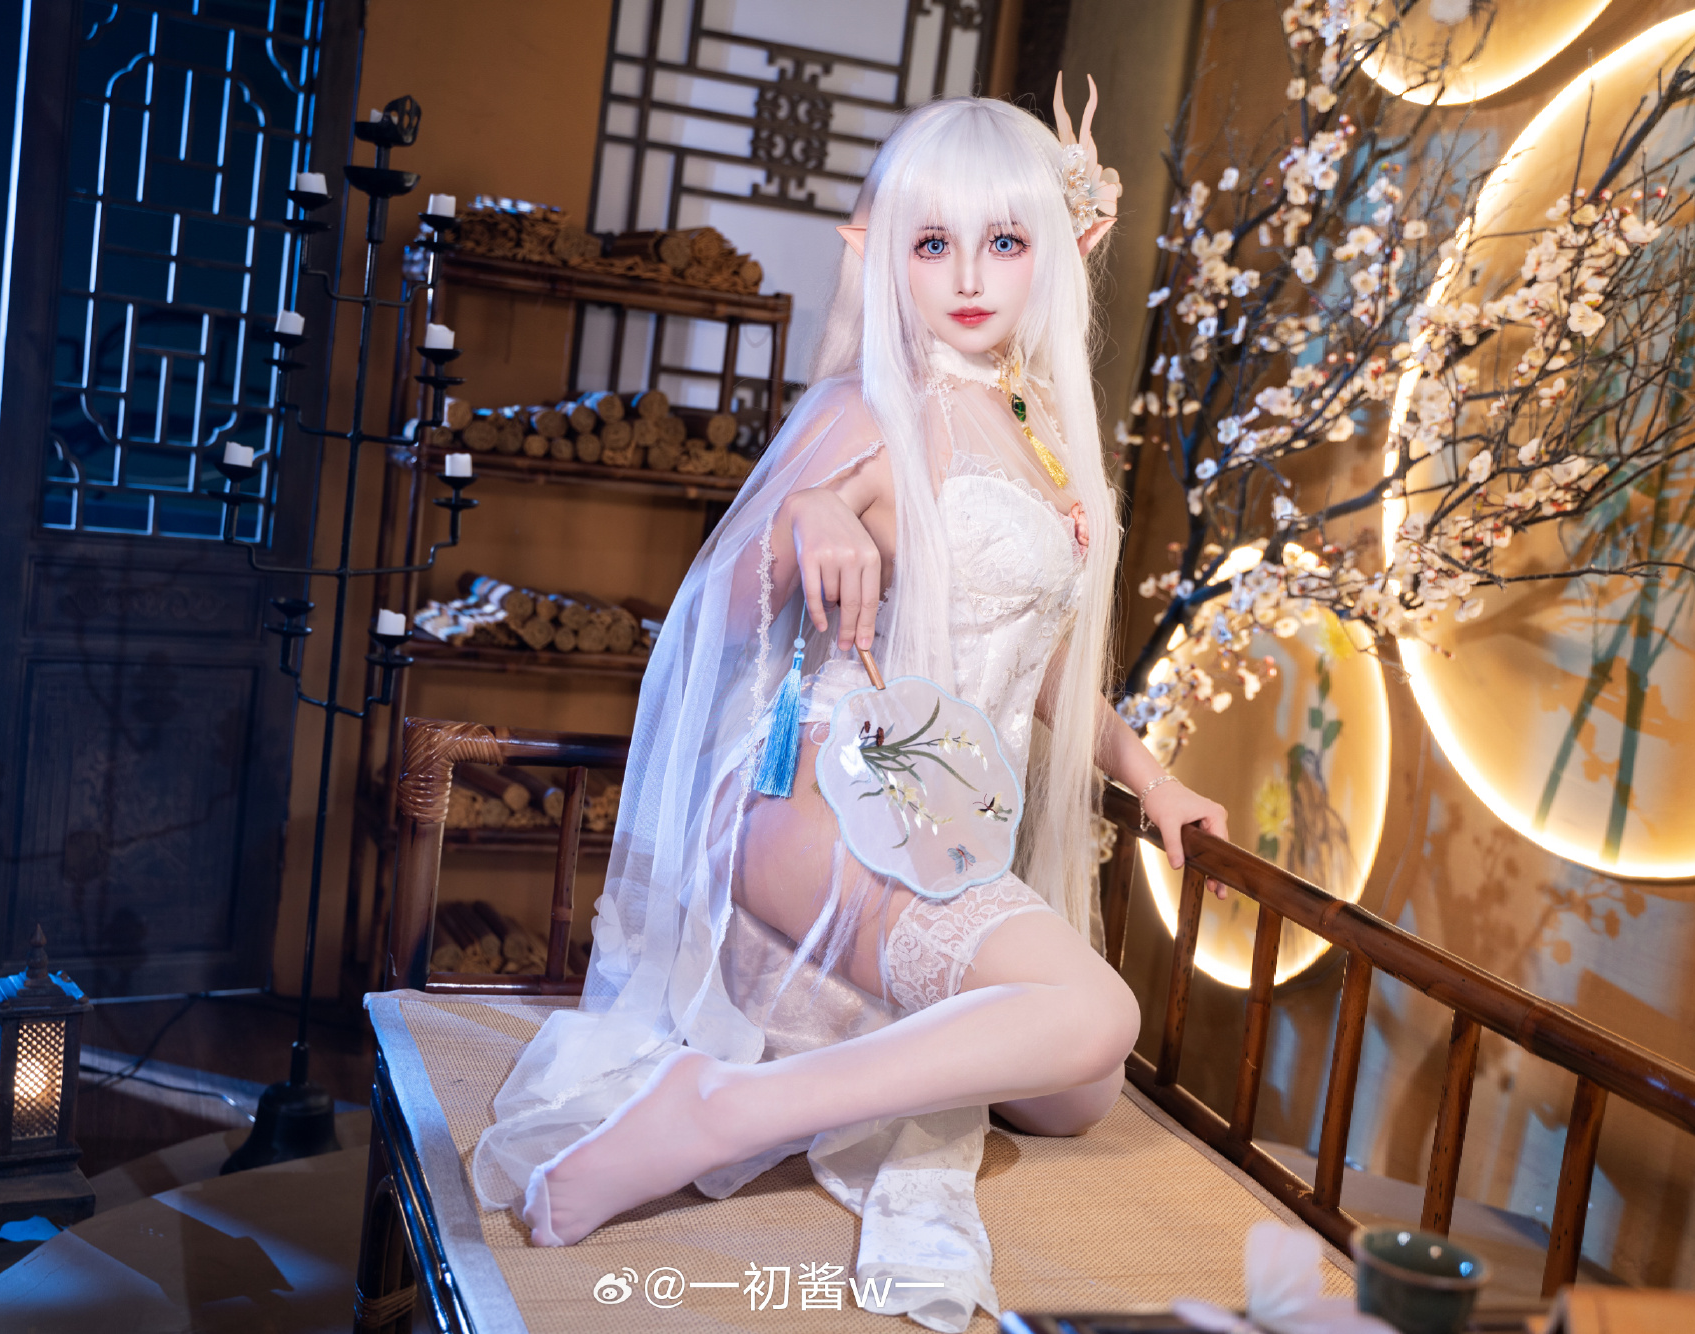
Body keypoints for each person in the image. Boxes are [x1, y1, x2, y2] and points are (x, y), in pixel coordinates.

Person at [471, 81, 1229, 1331]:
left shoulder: (1034, 420)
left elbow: (1037, 657)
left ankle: (808, 1056)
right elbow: (718, 614)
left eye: (1003, 240)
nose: (968, 276)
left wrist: (1149, 777)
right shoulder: (867, 401)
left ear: (1053, 248)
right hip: (824, 791)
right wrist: (809, 512)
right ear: (888, 255)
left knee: (1076, 1091)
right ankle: (718, 1108)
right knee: (1099, 1010)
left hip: (938, 811)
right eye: (932, 243)